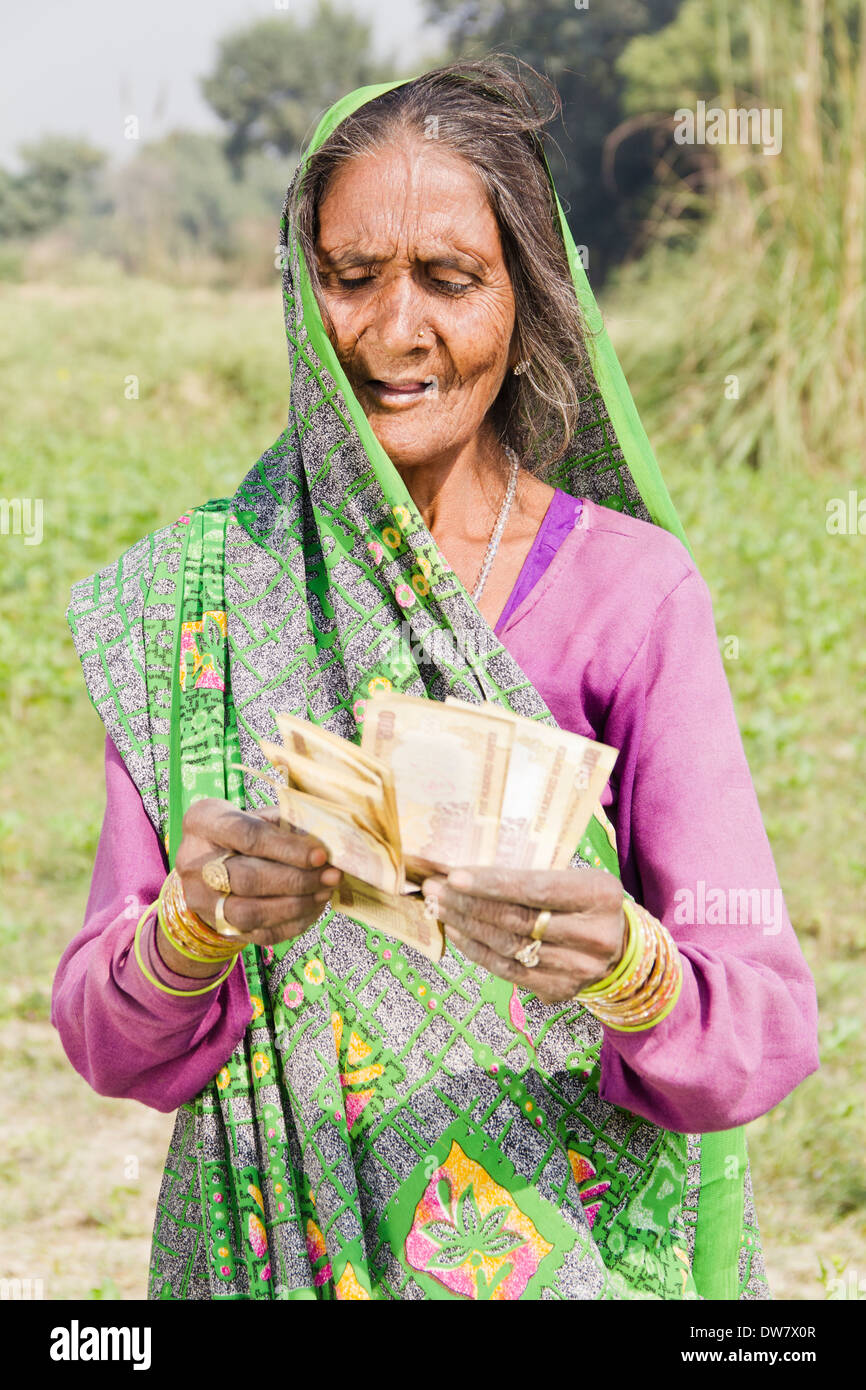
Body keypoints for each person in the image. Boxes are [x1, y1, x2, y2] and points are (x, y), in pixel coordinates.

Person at [53, 57, 818, 1301]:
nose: (393, 331)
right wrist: (193, 926)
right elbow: (104, 1034)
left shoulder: (628, 596)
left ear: (523, 295)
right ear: (304, 298)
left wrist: (626, 964)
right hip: (268, 1261)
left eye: (448, 281)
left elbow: (760, 1030)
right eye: (349, 280)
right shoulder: (201, 600)